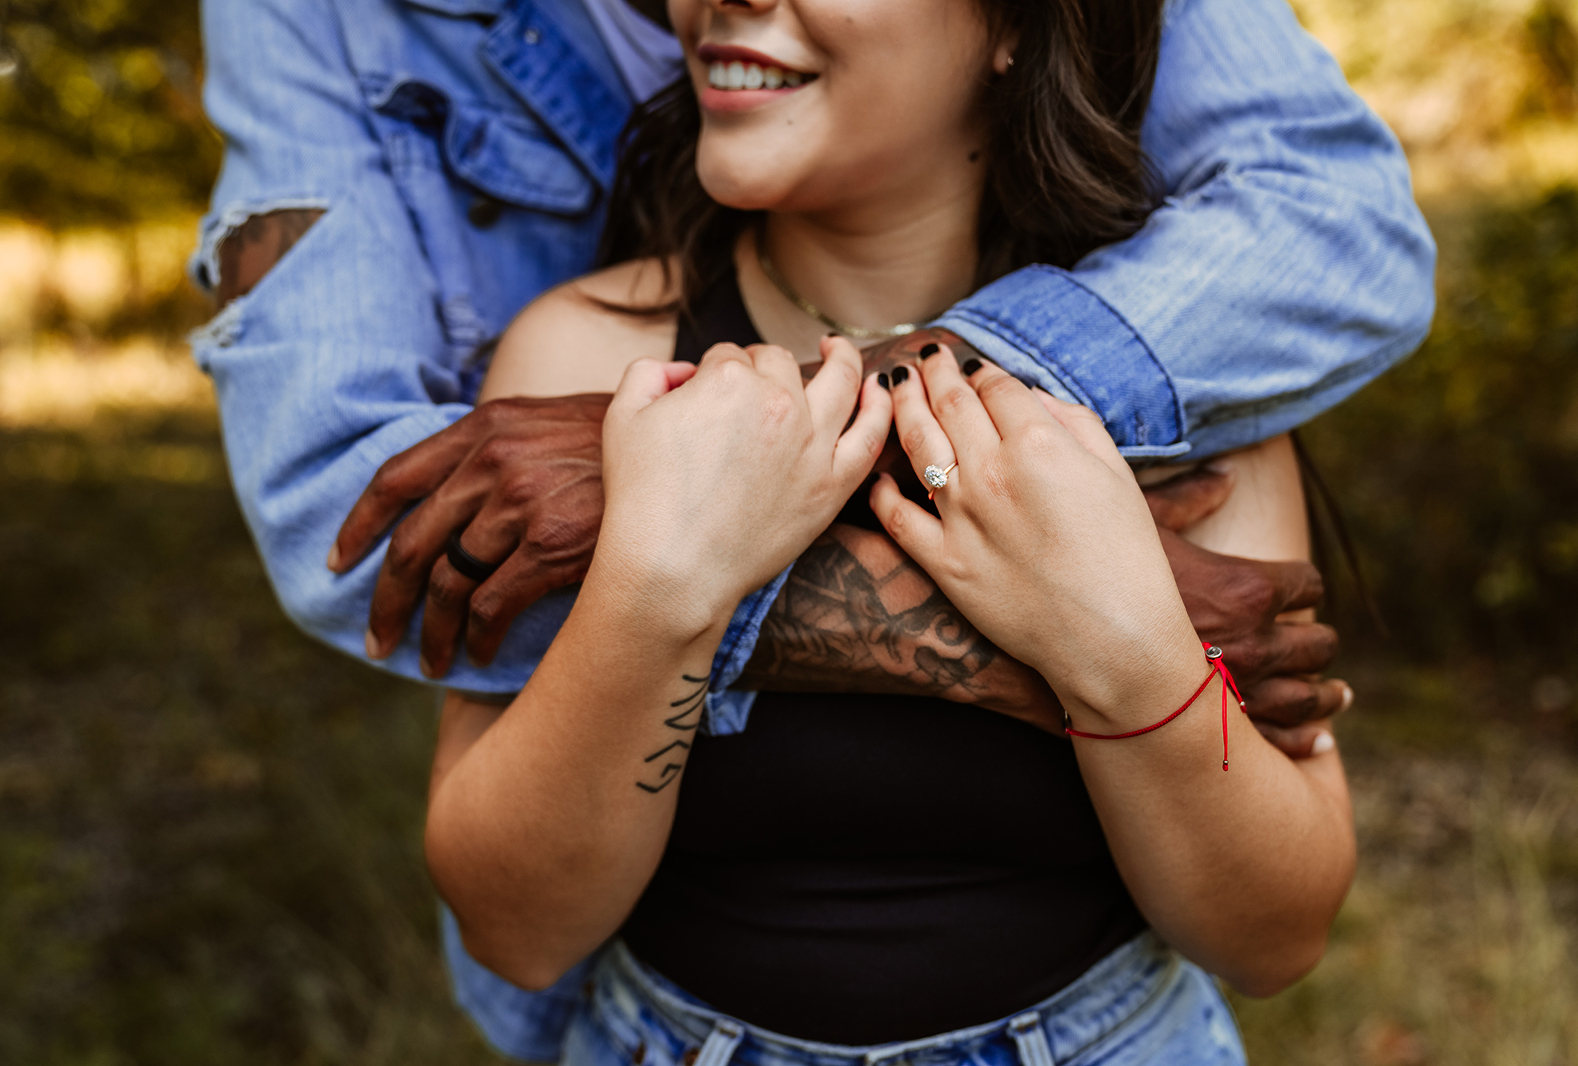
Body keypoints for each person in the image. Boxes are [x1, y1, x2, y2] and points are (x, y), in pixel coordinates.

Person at [187, 0, 1428, 1056]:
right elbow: (516, 925)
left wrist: (1125, 653)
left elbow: (1274, 933)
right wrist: (656, 588)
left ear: (1009, 24)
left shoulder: (1180, 382)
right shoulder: (584, 368)